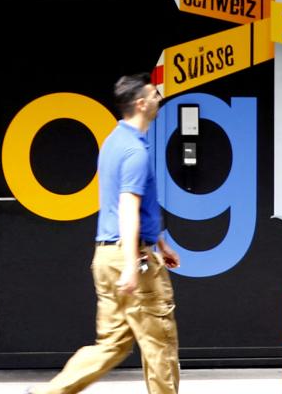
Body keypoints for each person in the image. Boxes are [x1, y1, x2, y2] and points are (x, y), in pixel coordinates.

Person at [28, 73, 181, 394]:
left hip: (106, 257)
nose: (158, 98)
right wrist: (132, 262)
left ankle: (48, 392)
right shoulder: (135, 152)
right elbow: (127, 206)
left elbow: (133, 205)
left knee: (112, 344)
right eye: (154, 95)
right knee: (159, 344)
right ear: (140, 104)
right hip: (131, 257)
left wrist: (161, 242)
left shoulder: (114, 142)